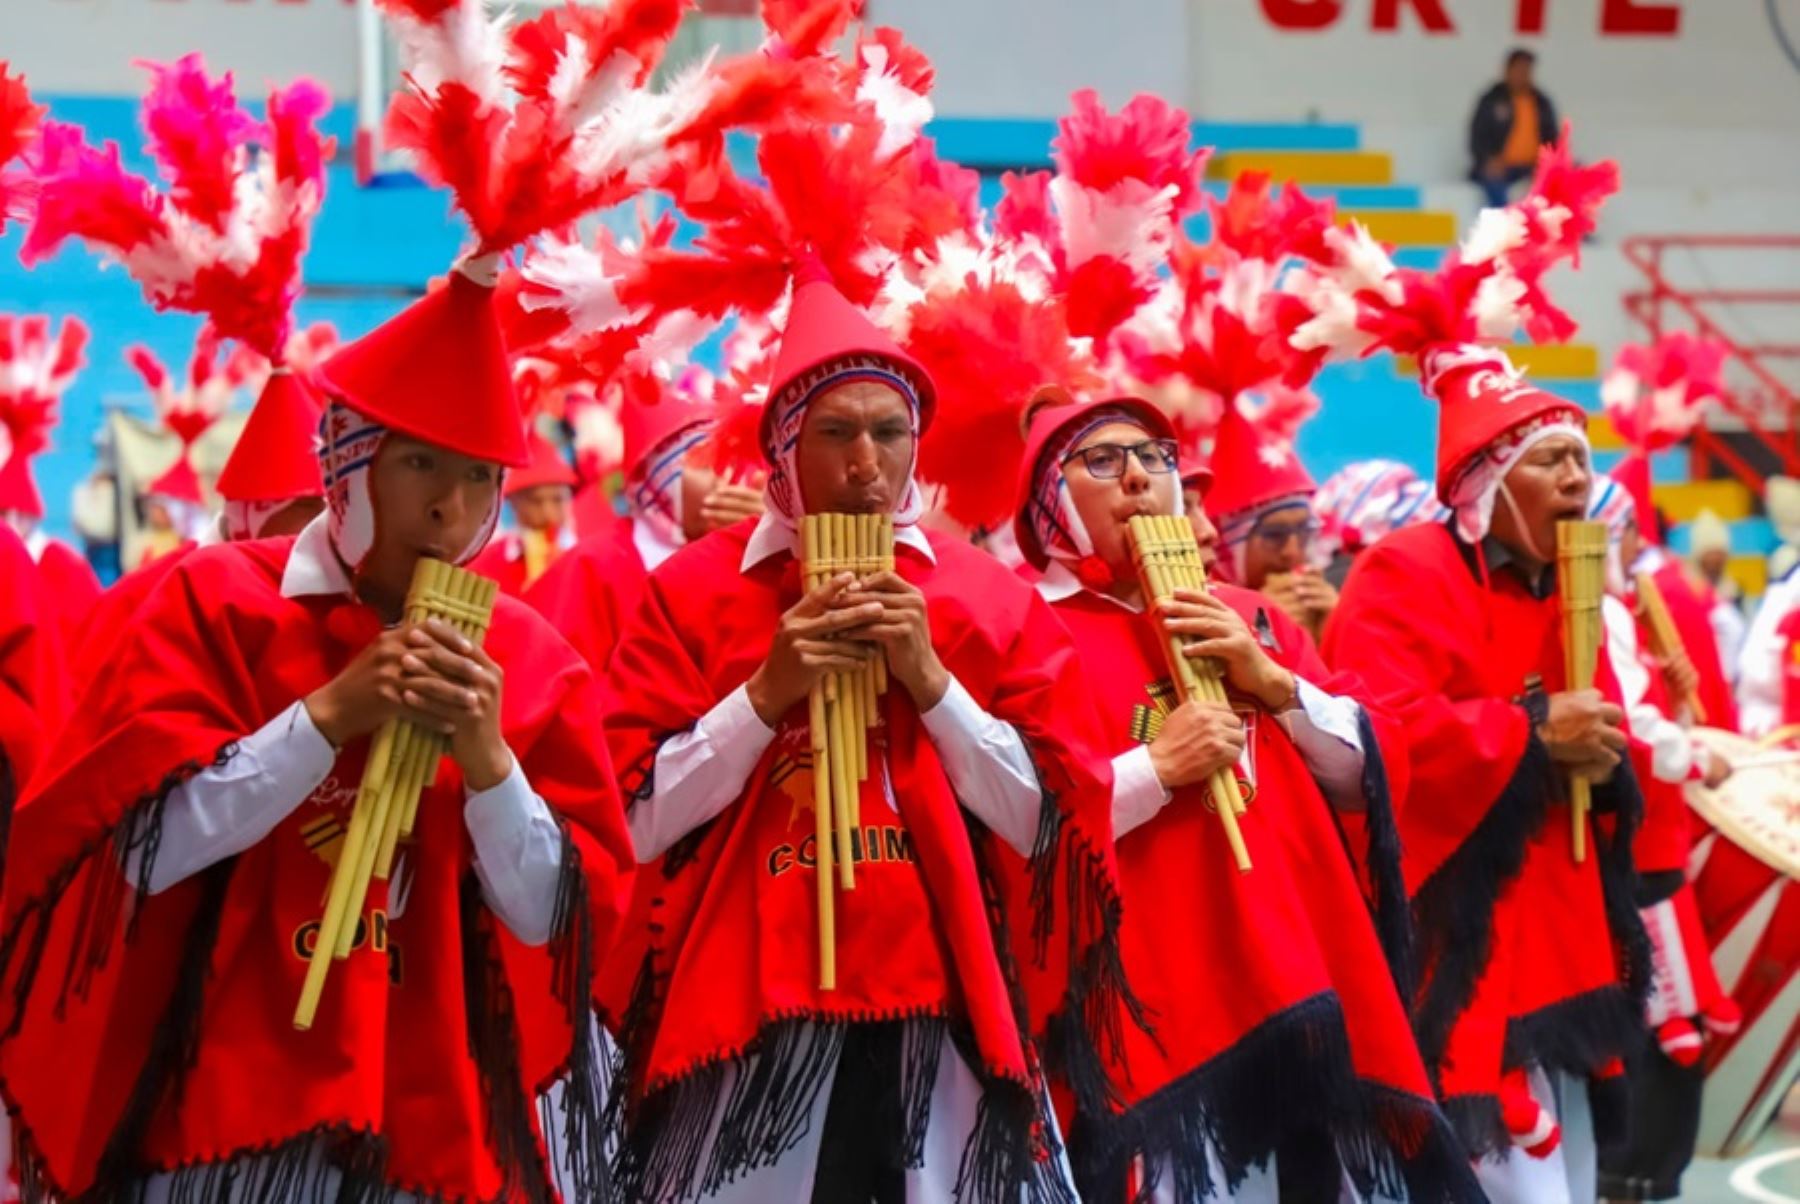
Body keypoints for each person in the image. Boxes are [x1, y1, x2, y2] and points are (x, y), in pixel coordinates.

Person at [0, 260, 637, 1202]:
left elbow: (559, 922)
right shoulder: (214, 601)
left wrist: (490, 763)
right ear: (346, 462)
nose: (447, 508)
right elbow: (129, 857)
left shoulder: (533, 656)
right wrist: (326, 717)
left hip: (431, 1115)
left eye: (475, 476)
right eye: (419, 461)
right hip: (214, 1105)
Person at [600, 271, 1127, 1203]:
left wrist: (931, 682)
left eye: (890, 434)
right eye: (836, 433)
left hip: (945, 1004)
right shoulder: (691, 591)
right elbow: (627, 822)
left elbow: (1051, 823)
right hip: (740, 1012)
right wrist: (765, 696)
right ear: (783, 450)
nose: (867, 465)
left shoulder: (984, 595)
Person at [1014, 391, 1479, 1204]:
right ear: (1049, 500)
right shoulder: (1024, 631)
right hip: (1151, 1009)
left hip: (1298, 988)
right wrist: (1156, 769)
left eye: (1156, 459)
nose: (1138, 480)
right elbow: (1017, 819)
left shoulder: (1253, 618)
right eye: (1103, 461)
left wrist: (1273, 682)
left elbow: (1363, 776)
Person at [1327, 345, 1649, 1204]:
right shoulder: (1401, 569)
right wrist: (1535, 732)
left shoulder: (1563, 587)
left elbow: (1609, 732)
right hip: (1462, 932)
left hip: (1563, 926)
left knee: (1569, 1179)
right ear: (1488, 483)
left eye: (1585, 456)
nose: (1580, 476)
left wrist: (1610, 750)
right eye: (1553, 459)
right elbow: (1378, 734)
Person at [1585, 475, 1738, 1203]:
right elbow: (1630, 726)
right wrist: (1696, 753)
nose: (1636, 550)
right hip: (1642, 852)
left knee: (1655, 1017)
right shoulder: (1604, 609)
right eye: (1626, 535)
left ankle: (1634, 1168)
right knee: (1666, 1020)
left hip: (1643, 841)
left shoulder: (1613, 609)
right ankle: (1639, 1171)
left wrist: (1676, 701)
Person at [525, 390, 763, 673]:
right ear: (660, 478)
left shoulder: (748, 558)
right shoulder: (592, 568)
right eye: (707, 465)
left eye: (733, 463)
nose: (728, 480)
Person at [1206, 398, 1337, 641]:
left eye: (1304, 530)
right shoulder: (1198, 609)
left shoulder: (1328, 603)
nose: (1292, 552)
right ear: (1227, 547)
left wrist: (1334, 629)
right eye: (1274, 535)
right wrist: (1263, 632)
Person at [470, 431, 581, 596]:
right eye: (536, 502)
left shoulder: (587, 560)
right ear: (514, 503)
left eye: (557, 500)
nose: (548, 514)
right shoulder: (485, 565)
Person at [1468, 49, 1560, 209]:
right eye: (1519, 69)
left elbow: (1552, 138)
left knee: (1568, 180)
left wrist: (1547, 163)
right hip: (1501, 167)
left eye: (1527, 70)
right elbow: (1478, 136)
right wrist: (1489, 159)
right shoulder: (1492, 99)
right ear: (1507, 70)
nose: (1522, 74)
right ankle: (1506, 227)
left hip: (1532, 166)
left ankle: (1577, 232)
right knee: (1495, 186)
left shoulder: (1541, 102)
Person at [1688, 508, 1747, 681]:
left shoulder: (1735, 591)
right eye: (1710, 555)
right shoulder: (1689, 592)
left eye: (1719, 554)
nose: (1715, 561)